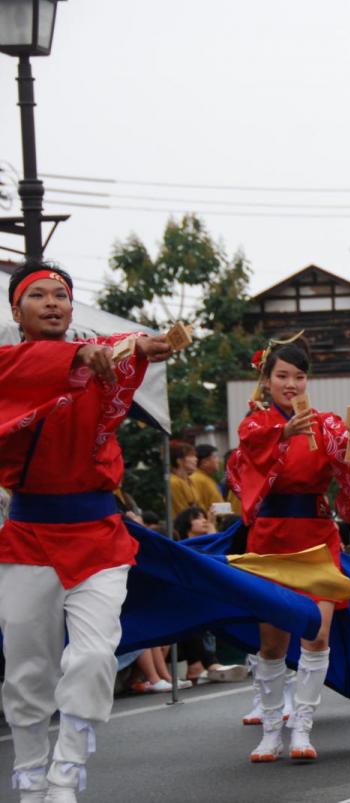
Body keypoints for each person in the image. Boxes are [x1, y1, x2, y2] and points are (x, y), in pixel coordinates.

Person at [0, 261, 172, 802]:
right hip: (29, 535)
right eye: (39, 296)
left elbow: (123, 346)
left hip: (98, 533)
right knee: (29, 668)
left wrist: (144, 346)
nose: (53, 303)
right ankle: (29, 775)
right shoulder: (8, 364)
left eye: (61, 296)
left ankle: (66, 770)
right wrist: (76, 354)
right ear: (16, 311)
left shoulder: (102, 358)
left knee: (95, 656)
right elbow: (27, 367)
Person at [226, 333, 350, 764]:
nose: (291, 384)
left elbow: (342, 468)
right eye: (282, 376)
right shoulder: (255, 425)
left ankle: (302, 725)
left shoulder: (325, 424)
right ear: (266, 380)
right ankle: (270, 730)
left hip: (316, 535)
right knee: (271, 643)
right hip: (270, 536)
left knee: (318, 633)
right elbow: (249, 460)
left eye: (299, 377)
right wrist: (283, 434)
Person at [168, 440, 201, 516]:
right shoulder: (174, 482)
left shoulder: (189, 480)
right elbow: (182, 512)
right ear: (179, 460)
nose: (196, 459)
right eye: (191, 456)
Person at [192, 444, 226, 512]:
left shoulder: (206, 478)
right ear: (204, 462)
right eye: (215, 457)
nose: (218, 461)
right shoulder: (197, 479)